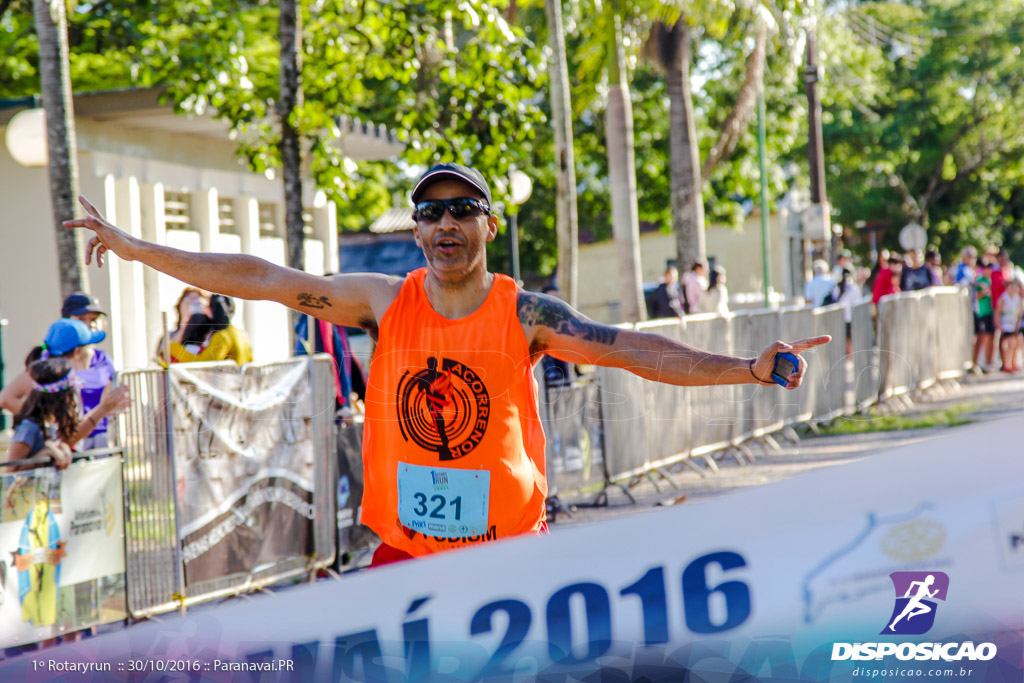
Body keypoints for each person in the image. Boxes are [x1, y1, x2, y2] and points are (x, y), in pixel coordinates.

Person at [65, 162, 829, 565]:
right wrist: (137, 248)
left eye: (462, 208)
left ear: (489, 223)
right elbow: (263, 277)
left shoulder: (526, 313)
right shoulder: (382, 300)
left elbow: (631, 349)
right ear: (416, 228)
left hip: (508, 555)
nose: (444, 223)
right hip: (405, 552)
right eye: (429, 211)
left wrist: (748, 368)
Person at [5, 358, 77, 470]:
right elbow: (12, 470)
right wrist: (42, 455)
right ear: (60, 399)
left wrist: (62, 449)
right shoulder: (29, 427)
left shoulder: (50, 423)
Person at [167, 294, 253, 365]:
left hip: (228, 383)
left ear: (211, 310)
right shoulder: (240, 333)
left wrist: (171, 347)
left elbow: (204, 362)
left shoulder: (222, 336)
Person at [994, 279, 1023, 373]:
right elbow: (997, 313)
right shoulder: (1004, 298)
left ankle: (1012, 362)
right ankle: (1006, 364)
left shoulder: (1018, 299)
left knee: (1016, 343)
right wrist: (998, 325)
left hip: (1013, 324)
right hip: (1005, 324)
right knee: (1008, 344)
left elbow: (1019, 315)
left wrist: (1017, 324)